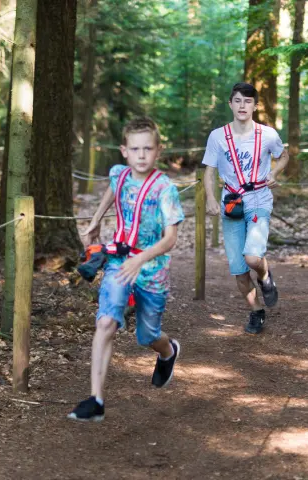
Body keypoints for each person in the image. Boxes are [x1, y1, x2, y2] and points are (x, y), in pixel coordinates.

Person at [68, 116, 185, 422]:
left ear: (158, 151)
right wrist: (95, 220)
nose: (142, 155)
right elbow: (112, 189)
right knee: (106, 322)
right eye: (135, 149)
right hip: (119, 261)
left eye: (148, 148)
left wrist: (141, 258)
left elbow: (171, 238)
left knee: (147, 336)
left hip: (152, 269)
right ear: (124, 151)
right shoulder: (119, 174)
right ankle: (96, 400)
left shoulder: (165, 189)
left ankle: (168, 351)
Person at [202, 82, 289, 334]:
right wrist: (210, 198)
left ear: (255, 106)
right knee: (239, 270)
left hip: (259, 198)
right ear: (230, 104)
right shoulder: (217, 136)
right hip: (231, 201)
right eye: (238, 101)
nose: (242, 105)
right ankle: (256, 312)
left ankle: (265, 276)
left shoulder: (267, 134)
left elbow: (284, 156)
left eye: (247, 101)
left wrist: (275, 171)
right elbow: (209, 171)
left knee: (252, 257)